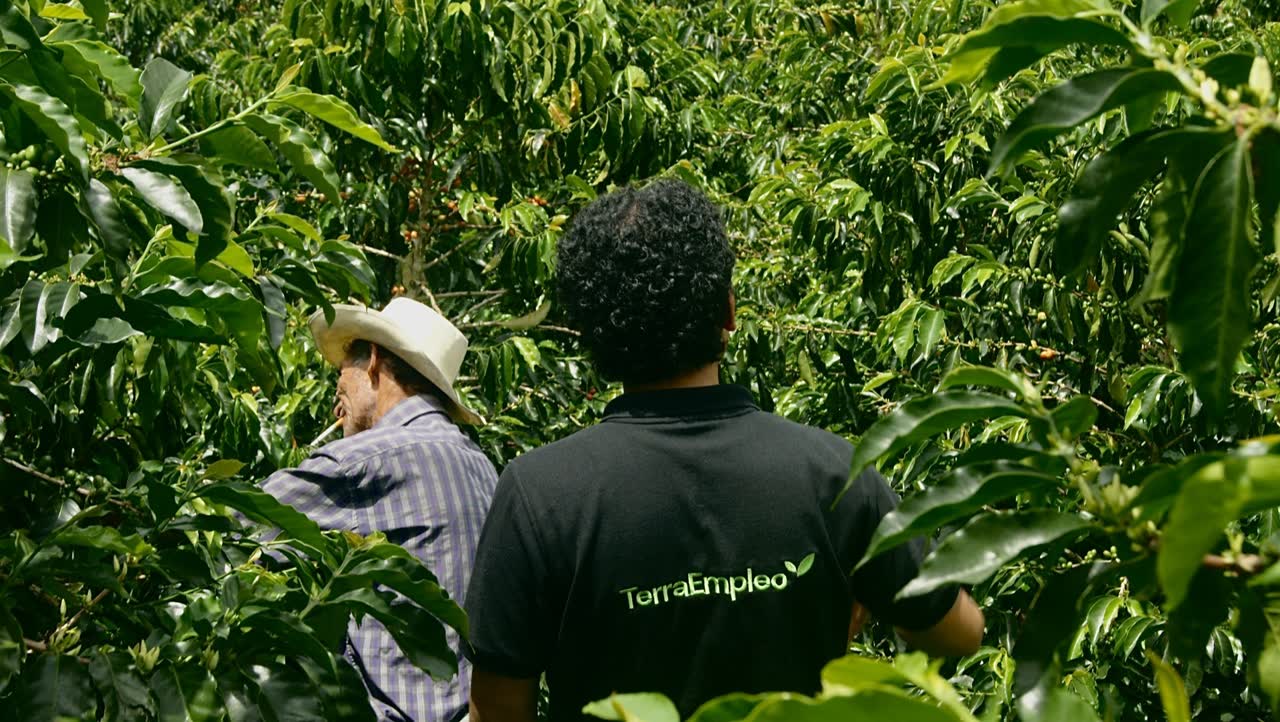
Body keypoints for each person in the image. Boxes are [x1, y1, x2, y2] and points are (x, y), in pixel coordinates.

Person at [464, 179, 984, 721]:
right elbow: (959, 634)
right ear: (729, 312)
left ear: (593, 335)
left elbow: (498, 712)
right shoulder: (835, 474)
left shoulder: (538, 493)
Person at [262, 296, 498, 722]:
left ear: (372, 361)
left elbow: (234, 526)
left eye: (341, 375)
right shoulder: (481, 465)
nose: (339, 395)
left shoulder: (366, 464)